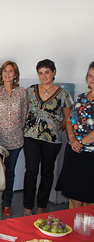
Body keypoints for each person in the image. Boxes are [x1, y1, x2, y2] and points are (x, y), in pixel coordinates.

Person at [23, 59, 72, 216]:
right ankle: (28, 206)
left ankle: (42, 205)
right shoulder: (30, 90)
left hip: (52, 140)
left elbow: (67, 118)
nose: (44, 76)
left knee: (47, 171)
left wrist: (55, 130)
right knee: (31, 171)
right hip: (30, 137)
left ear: (54, 72)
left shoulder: (63, 94)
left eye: (47, 72)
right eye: (41, 73)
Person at [0, 61, 27, 217]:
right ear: (1, 74)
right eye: (5, 71)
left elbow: (24, 114)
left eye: (11, 71)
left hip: (16, 139)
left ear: (15, 74)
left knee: (10, 172)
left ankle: (7, 202)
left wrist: (18, 128)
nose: (7, 74)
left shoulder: (22, 92)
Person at [57, 61, 94, 208]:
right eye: (90, 75)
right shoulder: (81, 97)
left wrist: (82, 142)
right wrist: (72, 140)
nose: (92, 79)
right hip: (74, 151)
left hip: (90, 154)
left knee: (89, 195)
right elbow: (69, 121)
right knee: (73, 193)